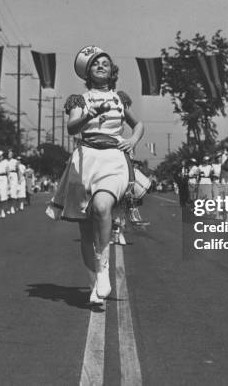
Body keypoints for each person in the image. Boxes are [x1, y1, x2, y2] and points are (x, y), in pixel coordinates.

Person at [46, 45, 144, 305]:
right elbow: (71, 128)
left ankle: (103, 271)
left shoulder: (120, 98)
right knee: (86, 228)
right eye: (95, 63)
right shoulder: (80, 99)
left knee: (102, 207)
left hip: (114, 159)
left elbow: (138, 124)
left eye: (105, 62)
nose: (101, 66)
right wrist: (87, 115)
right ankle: (94, 283)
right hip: (86, 160)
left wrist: (132, 139)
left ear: (112, 70)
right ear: (88, 72)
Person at [6, 148, 20, 214]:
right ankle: (8, 208)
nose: (9, 155)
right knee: (8, 193)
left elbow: (18, 170)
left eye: (11, 154)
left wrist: (19, 179)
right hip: (6, 176)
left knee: (13, 193)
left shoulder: (15, 161)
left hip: (14, 175)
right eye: (8, 154)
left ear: (12, 155)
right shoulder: (5, 161)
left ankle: (12, 207)